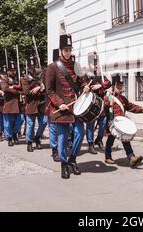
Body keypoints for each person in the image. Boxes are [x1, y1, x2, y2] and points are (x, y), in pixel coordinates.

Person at [45, 35, 86, 179]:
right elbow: (49, 90)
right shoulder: (52, 67)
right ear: (61, 50)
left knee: (80, 133)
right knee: (62, 138)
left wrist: (86, 87)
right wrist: (59, 103)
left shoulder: (76, 66)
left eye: (70, 50)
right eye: (66, 50)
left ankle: (72, 159)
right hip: (61, 107)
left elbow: (82, 82)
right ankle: (63, 164)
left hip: (76, 107)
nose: (68, 52)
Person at [104, 75, 143, 168]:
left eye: (121, 86)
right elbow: (103, 109)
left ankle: (131, 157)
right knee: (110, 141)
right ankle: (108, 156)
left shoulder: (122, 98)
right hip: (112, 123)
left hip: (121, 123)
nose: (120, 88)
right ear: (114, 86)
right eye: (118, 86)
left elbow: (131, 106)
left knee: (125, 139)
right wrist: (107, 105)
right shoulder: (108, 97)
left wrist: (141, 109)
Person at [22, 56, 47, 152]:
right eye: (31, 67)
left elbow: (46, 86)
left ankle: (37, 137)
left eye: (35, 66)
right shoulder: (24, 79)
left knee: (44, 122)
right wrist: (39, 87)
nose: (33, 69)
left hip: (41, 104)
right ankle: (29, 142)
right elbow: (27, 92)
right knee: (30, 125)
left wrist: (39, 88)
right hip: (31, 104)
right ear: (28, 68)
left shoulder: (41, 76)